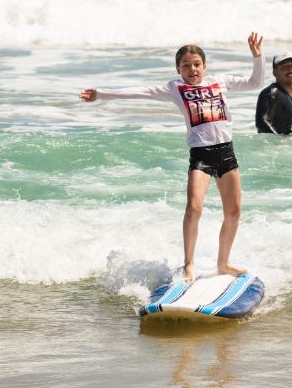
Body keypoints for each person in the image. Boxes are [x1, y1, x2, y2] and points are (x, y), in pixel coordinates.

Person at [79, 33, 265, 282]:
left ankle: (223, 263)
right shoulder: (175, 88)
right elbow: (139, 92)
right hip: (201, 155)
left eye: (196, 64)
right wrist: (101, 94)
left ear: (204, 66)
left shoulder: (219, 81)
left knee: (233, 212)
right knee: (194, 208)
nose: (192, 69)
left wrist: (257, 57)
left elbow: (255, 83)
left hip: (226, 152)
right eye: (186, 65)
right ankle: (189, 264)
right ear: (178, 68)